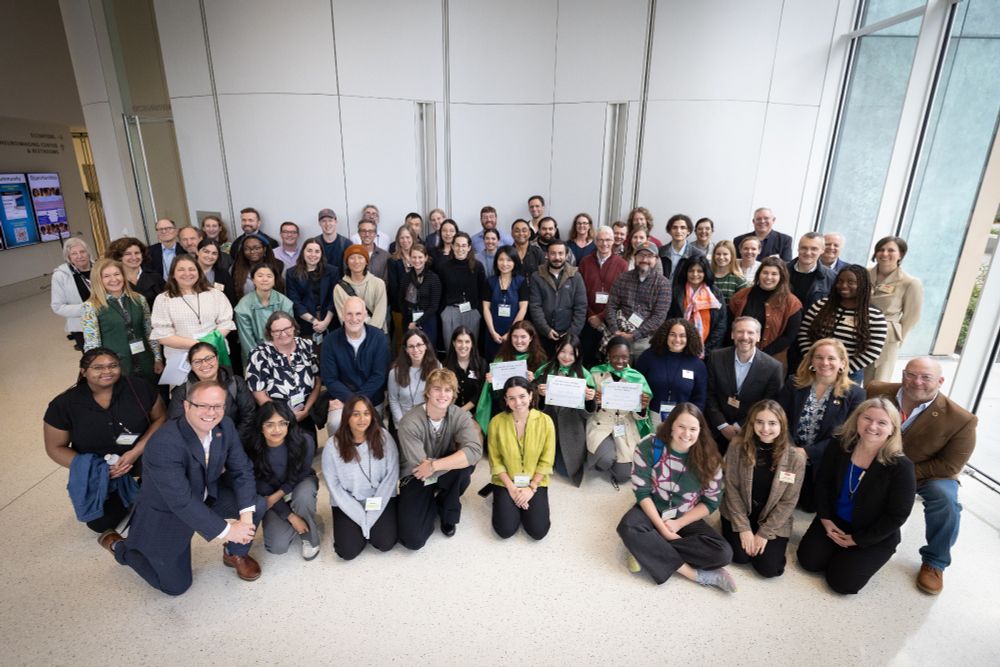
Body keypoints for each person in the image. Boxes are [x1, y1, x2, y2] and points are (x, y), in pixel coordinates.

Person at [98, 380, 267, 594]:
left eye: (217, 406)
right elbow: (181, 501)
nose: (210, 412)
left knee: (256, 504)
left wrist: (244, 520)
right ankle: (120, 548)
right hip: (168, 512)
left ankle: (235, 553)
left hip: (207, 496)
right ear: (187, 406)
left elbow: (242, 470)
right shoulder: (164, 444)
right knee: (176, 587)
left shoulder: (224, 426)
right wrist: (227, 530)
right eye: (202, 405)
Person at [867, 357, 977, 595]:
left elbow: (949, 465)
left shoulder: (961, 420)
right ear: (903, 373)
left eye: (926, 377)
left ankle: (935, 562)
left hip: (924, 472)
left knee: (946, 499)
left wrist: (900, 477)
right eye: (911, 374)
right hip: (873, 461)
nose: (917, 382)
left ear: (940, 381)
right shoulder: (876, 390)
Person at [796, 398, 916, 595]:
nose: (872, 426)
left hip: (872, 533)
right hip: (834, 521)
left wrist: (857, 540)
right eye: (867, 418)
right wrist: (825, 519)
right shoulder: (839, 445)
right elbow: (823, 483)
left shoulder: (901, 467)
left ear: (893, 429)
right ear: (857, 419)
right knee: (809, 562)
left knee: (842, 584)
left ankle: (852, 557)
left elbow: (897, 515)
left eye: (882, 422)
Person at [44, 348, 166, 532]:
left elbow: (161, 418)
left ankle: (143, 488)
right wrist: (99, 469)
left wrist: (135, 452)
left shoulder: (139, 387)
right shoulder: (64, 405)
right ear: (84, 372)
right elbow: (55, 447)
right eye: (98, 367)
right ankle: (128, 493)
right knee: (100, 524)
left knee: (166, 503)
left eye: (113, 366)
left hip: (143, 456)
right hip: (103, 470)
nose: (107, 371)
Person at [616, 403, 735, 591]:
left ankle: (644, 548)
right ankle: (696, 575)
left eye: (693, 429)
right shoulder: (649, 445)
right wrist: (663, 530)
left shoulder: (710, 458)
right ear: (671, 424)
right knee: (627, 526)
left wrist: (678, 524)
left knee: (723, 554)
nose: (686, 434)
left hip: (686, 515)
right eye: (681, 426)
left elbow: (711, 502)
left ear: (700, 430)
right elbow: (642, 492)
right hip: (652, 509)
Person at [396, 368, 484, 547]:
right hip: (416, 475)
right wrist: (435, 467)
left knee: (465, 468)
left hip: (440, 469)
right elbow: (420, 467)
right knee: (413, 540)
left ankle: (447, 510)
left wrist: (435, 465)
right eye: (437, 389)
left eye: (448, 390)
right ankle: (430, 501)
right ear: (427, 391)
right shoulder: (410, 421)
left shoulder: (459, 415)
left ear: (453, 394)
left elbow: (475, 451)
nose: (442, 395)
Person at [720, 400, 806, 578]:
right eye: (759, 422)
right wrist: (744, 529)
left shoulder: (795, 457)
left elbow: (788, 501)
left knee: (769, 569)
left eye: (772, 423)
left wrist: (764, 534)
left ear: (782, 425)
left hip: (772, 518)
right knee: (740, 557)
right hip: (740, 511)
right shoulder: (737, 446)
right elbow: (732, 489)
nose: (765, 428)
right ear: (752, 424)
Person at [778, 339, 865, 511]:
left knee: (810, 506)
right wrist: (790, 448)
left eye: (831, 358)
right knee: (779, 498)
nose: (825, 363)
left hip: (823, 460)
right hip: (789, 453)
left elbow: (847, 435)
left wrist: (808, 452)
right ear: (811, 361)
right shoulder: (794, 383)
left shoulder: (855, 394)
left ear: (842, 363)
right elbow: (780, 418)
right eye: (819, 357)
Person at [321, 395, 399, 560]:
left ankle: (368, 529)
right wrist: (361, 517)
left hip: (379, 498)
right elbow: (334, 487)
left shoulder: (384, 438)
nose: (362, 419)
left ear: (372, 415)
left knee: (385, 543)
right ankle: (362, 530)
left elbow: (391, 478)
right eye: (356, 414)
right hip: (348, 501)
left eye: (366, 413)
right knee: (347, 552)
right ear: (347, 416)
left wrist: (371, 516)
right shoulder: (332, 446)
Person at [244, 401, 320, 559]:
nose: (277, 430)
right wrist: (290, 517)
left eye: (282, 423)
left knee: (303, 496)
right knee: (277, 546)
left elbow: (302, 473)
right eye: (269, 424)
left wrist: (279, 494)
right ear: (260, 426)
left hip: (299, 483)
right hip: (269, 494)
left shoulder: (305, 441)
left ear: (289, 424)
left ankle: (309, 537)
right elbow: (261, 487)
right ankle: (299, 514)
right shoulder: (251, 448)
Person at [488, 377, 556, 540]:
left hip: (534, 481)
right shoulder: (496, 422)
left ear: (531, 396)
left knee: (538, 531)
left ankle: (519, 502)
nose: (517, 402)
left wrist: (531, 488)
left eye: (522, 396)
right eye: (511, 398)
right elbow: (495, 461)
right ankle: (502, 498)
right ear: (505, 400)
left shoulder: (545, 421)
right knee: (505, 530)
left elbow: (546, 461)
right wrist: (512, 489)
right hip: (506, 481)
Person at [705, 317, 784, 454]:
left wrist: (740, 425)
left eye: (750, 332)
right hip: (715, 431)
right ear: (732, 334)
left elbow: (769, 404)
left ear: (758, 336)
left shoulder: (773, 368)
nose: (745, 337)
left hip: (751, 434)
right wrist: (722, 425)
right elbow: (709, 394)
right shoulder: (715, 357)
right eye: (740, 332)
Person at [798, 265, 887, 384]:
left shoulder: (875, 316)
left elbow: (872, 352)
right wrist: (813, 363)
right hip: (813, 370)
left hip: (849, 375)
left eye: (851, 282)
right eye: (840, 281)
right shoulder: (820, 306)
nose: (843, 285)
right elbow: (803, 333)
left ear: (862, 285)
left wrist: (841, 370)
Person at [81, 258, 163, 386]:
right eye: (107, 276)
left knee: (155, 397)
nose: (114, 279)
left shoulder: (139, 299)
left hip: (145, 360)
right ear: (98, 280)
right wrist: (98, 370)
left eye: (117, 274)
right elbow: (92, 344)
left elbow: (150, 331)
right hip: (115, 366)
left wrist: (157, 358)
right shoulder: (91, 306)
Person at [150, 256, 235, 374]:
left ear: (199, 272)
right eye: (181, 270)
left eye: (192, 269)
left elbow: (226, 323)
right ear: (173, 274)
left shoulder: (215, 294)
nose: (187, 273)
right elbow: (163, 335)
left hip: (214, 355)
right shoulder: (163, 299)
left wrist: (210, 343)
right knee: (186, 392)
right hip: (181, 361)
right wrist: (199, 345)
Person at [587, 336, 653, 484]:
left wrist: (642, 408)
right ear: (608, 355)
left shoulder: (637, 379)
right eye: (615, 357)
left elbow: (640, 417)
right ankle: (604, 452)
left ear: (630, 356)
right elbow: (586, 407)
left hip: (625, 425)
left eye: (624, 357)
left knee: (623, 476)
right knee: (604, 461)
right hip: (602, 422)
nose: (619, 361)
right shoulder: (596, 373)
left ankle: (614, 453)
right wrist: (594, 401)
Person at [321, 296, 391, 433]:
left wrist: (354, 402)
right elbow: (330, 379)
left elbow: (379, 376)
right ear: (342, 314)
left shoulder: (379, 338)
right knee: (335, 423)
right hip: (342, 399)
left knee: (377, 435)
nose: (354, 319)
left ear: (365, 315)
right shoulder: (330, 341)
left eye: (358, 314)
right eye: (349, 314)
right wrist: (349, 400)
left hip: (372, 399)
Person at [535, 334, 596, 486]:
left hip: (571, 427)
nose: (566, 357)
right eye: (563, 351)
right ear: (556, 349)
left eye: (571, 353)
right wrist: (539, 394)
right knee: (541, 462)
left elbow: (587, 414)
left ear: (578, 354)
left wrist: (589, 400)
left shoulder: (584, 375)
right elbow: (531, 403)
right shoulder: (545, 370)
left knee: (563, 469)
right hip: (548, 423)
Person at [245, 312, 321, 432]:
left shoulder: (306, 346)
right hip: (276, 419)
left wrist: (307, 410)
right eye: (277, 331)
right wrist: (285, 415)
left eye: (287, 329)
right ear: (270, 333)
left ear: (294, 327)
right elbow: (258, 394)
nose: (283, 334)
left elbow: (317, 383)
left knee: (309, 447)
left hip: (305, 415)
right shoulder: (259, 354)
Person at [169, 341, 256, 444]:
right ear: (190, 365)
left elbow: (249, 415)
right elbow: (177, 424)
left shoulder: (236, 383)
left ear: (217, 358)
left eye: (209, 358)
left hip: (235, 443)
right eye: (197, 361)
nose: (204, 364)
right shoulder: (182, 392)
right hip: (198, 448)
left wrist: (232, 443)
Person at [866, 236, 923, 383]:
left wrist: (897, 339)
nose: (885, 254)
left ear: (901, 254)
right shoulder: (864, 274)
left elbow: (911, 316)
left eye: (891, 250)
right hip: (859, 330)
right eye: (881, 250)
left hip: (885, 336)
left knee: (876, 382)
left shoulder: (910, 282)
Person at [475, 320, 547, 433]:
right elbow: (495, 397)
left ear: (531, 338)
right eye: (515, 336)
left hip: (530, 413)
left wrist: (534, 383)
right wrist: (492, 383)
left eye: (523, 337)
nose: (519, 341)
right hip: (504, 411)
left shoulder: (540, 360)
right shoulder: (501, 358)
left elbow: (543, 398)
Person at [604, 241, 670, 358]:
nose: (644, 259)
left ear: (656, 259)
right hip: (618, 334)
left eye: (649, 256)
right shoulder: (622, 278)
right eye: (641, 255)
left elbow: (659, 316)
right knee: (616, 374)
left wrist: (635, 335)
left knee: (640, 374)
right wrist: (615, 330)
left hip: (645, 340)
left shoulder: (663, 284)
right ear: (634, 258)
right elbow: (611, 306)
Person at [729, 256, 803, 361]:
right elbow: (730, 326)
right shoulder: (740, 296)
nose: (768, 277)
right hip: (739, 354)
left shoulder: (792, 303)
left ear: (781, 277)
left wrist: (761, 354)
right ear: (759, 274)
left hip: (772, 358)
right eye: (765, 273)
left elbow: (789, 336)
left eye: (774, 274)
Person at [635, 318, 708, 420]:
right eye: (672, 334)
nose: (677, 339)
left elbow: (699, 399)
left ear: (689, 338)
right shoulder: (648, 357)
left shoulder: (697, 365)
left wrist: (691, 420)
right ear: (665, 335)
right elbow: (636, 385)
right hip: (649, 417)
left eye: (682, 336)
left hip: (682, 420)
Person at [579, 225, 628, 366]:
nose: (604, 244)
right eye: (600, 240)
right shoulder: (585, 262)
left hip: (611, 320)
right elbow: (580, 293)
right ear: (595, 241)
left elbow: (621, 296)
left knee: (607, 358)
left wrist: (601, 316)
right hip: (587, 320)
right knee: (587, 357)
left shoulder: (622, 265)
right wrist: (590, 316)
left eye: (608, 240)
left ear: (614, 241)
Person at [529, 239, 587, 355]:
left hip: (569, 334)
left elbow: (581, 307)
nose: (557, 257)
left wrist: (572, 333)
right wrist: (546, 330)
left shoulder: (576, 277)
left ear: (566, 255)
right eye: (553, 253)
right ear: (547, 255)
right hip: (544, 334)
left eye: (560, 253)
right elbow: (535, 306)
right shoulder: (537, 276)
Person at [234, 264, 294, 367]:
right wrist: (260, 361)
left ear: (275, 279)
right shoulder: (243, 306)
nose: (264, 279)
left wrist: (280, 356)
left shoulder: (285, 302)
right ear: (253, 279)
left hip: (283, 353)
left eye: (269, 276)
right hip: (255, 356)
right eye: (260, 276)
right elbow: (247, 341)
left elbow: (288, 334)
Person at [667, 255, 727, 353]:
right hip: (679, 346)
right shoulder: (677, 292)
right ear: (685, 272)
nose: (695, 274)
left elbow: (721, 324)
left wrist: (706, 349)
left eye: (699, 271)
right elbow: (670, 318)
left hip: (707, 350)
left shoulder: (715, 293)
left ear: (706, 272)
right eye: (691, 271)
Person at [438, 232, 488, 347]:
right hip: (450, 311)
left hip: (472, 311)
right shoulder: (444, 267)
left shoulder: (477, 266)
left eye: (464, 245)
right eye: (457, 245)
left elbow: (482, 292)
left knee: (470, 347)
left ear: (469, 247)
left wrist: (478, 311)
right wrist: (443, 312)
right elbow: (440, 292)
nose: (460, 248)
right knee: (451, 347)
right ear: (452, 246)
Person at [285, 238, 339, 340]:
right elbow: (295, 301)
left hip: (330, 322)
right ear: (303, 252)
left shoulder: (332, 271)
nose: (313, 255)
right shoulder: (291, 273)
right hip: (305, 323)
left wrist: (326, 322)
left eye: (317, 251)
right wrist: (314, 321)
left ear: (321, 254)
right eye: (309, 250)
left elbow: (335, 298)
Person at [482, 245, 529, 361]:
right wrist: (492, 332)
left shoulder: (521, 282)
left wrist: (511, 332)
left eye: (509, 260)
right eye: (501, 259)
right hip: (493, 330)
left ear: (515, 262)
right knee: (492, 361)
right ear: (496, 261)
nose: (504, 264)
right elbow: (486, 308)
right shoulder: (490, 281)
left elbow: (523, 308)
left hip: (514, 331)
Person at [387, 329, 440, 427]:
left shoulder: (437, 367)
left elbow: (440, 398)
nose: (415, 350)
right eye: (411, 346)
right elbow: (393, 400)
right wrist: (403, 424)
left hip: (430, 423)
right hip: (404, 423)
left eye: (419, 345)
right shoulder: (394, 372)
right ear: (406, 350)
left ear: (426, 346)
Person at [333, 244, 389, 333]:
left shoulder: (379, 284)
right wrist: (359, 334)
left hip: (377, 335)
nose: (356, 261)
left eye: (360, 257)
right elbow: (343, 318)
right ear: (347, 262)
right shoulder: (339, 289)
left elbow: (380, 314)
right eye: (352, 258)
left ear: (366, 261)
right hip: (353, 335)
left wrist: (370, 335)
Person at [51, 237, 93, 350]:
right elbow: (57, 307)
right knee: (93, 361)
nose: (80, 256)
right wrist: (87, 308)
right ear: (69, 258)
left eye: (82, 251)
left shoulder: (100, 269)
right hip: (82, 327)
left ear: (88, 253)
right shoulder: (60, 275)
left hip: (107, 321)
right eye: (74, 253)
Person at [399, 243, 441, 346]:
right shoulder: (406, 277)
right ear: (409, 258)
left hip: (427, 321)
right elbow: (400, 300)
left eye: (420, 257)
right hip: (409, 321)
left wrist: (417, 322)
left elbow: (434, 306)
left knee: (428, 351)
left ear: (426, 258)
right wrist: (408, 316)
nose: (417, 260)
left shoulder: (433, 278)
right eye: (414, 257)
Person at [106, 237, 166, 308]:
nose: (134, 257)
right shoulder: (113, 281)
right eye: (128, 254)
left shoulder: (155, 277)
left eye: (137, 253)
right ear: (119, 257)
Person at [786, 232, 836, 313]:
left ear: (822, 250)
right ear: (798, 248)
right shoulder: (781, 270)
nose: (808, 253)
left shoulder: (832, 278)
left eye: (814, 249)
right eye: (804, 248)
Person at [444, 326, 486, 414]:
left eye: (467, 342)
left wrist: (463, 410)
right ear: (453, 343)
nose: (463, 346)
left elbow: (481, 392)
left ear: (472, 344)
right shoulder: (445, 366)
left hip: (476, 413)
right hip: (451, 412)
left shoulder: (481, 364)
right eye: (459, 341)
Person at [232, 235, 285, 299]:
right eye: (247, 249)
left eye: (257, 248)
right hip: (245, 306)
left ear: (264, 249)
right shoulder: (236, 267)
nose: (252, 252)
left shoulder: (278, 265)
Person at [388, 226, 417, 341]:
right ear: (398, 240)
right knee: (402, 340)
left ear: (413, 238)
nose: (405, 241)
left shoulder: (420, 257)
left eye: (408, 237)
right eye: (402, 238)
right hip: (400, 309)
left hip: (419, 308)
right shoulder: (393, 260)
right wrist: (404, 308)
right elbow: (394, 288)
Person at [659, 214, 704, 281]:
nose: (678, 231)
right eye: (675, 227)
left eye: (683, 228)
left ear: (688, 231)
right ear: (669, 231)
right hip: (663, 290)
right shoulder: (661, 251)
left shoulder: (697, 254)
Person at [195, 238, 237, 306]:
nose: (210, 256)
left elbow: (231, 300)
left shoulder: (223, 275)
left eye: (214, 253)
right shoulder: (188, 273)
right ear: (197, 252)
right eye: (206, 252)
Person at [315, 207, 350, 274]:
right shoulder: (314, 243)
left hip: (342, 282)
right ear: (319, 223)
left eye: (330, 220)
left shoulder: (346, 243)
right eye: (324, 221)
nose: (327, 224)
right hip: (320, 282)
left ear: (336, 221)